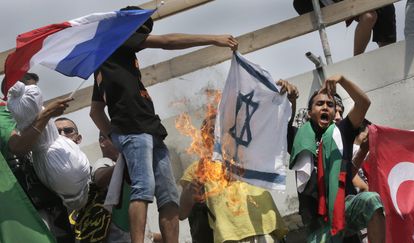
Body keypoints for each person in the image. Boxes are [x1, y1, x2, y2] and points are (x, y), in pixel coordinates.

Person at [89, 6, 238, 243]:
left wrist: (114, 136)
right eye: (142, 29)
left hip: (150, 128)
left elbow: (95, 111)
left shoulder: (113, 62)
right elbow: (167, 41)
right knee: (143, 189)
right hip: (134, 128)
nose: (144, 36)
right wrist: (213, 38)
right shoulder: (118, 42)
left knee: (168, 195)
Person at [288, 75, 385, 243]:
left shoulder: (341, 132)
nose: (325, 107)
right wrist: (290, 100)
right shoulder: (298, 138)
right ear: (310, 113)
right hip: (317, 223)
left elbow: (363, 103)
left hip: (344, 209)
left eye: (330, 105)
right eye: (319, 104)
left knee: (371, 200)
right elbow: (283, 123)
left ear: (334, 113)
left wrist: (342, 80)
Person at [179, 115, 288, 243]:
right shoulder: (197, 168)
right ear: (204, 138)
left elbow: (276, 128)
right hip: (230, 236)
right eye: (211, 130)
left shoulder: (249, 157)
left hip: (265, 229)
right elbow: (182, 213)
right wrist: (190, 191)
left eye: (220, 129)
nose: (216, 134)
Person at [1, 83, 76, 242]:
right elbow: (18, 146)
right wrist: (47, 113)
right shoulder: (2, 114)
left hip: (42, 201)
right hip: (29, 205)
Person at [292, 0, 396, 56]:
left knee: (372, 15)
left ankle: (386, 54)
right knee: (369, 16)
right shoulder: (302, 3)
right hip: (327, 6)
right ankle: (358, 59)